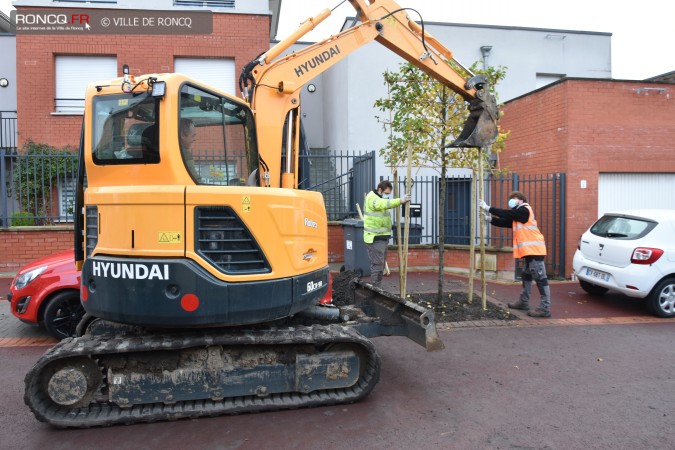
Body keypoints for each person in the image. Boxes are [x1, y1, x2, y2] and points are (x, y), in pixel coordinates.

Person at [480, 191, 551, 318]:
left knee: (541, 279)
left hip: (535, 251)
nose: (511, 200)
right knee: (526, 277)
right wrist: (490, 219)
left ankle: (545, 308)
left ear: (521, 200)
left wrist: (488, 208)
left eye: (514, 198)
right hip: (529, 252)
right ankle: (523, 302)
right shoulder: (518, 215)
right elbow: (506, 221)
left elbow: (508, 214)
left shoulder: (524, 210)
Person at [363, 180, 411, 287]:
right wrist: (400, 200)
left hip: (382, 237)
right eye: (386, 194)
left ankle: (377, 287)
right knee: (377, 264)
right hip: (374, 238)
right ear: (380, 190)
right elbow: (383, 204)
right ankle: (376, 288)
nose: (386, 197)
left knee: (381, 264)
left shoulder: (379, 197)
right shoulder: (372, 198)